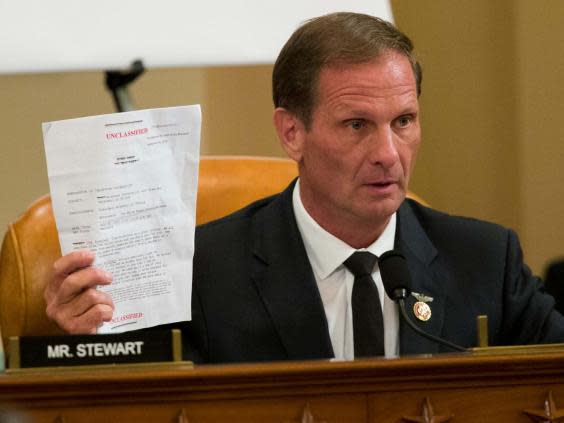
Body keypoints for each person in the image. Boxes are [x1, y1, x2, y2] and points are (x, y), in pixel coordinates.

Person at [44, 12, 564, 364]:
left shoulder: (486, 262)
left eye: (403, 121)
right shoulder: (202, 272)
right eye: (357, 125)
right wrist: (91, 340)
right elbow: (126, 399)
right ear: (292, 132)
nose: (388, 152)